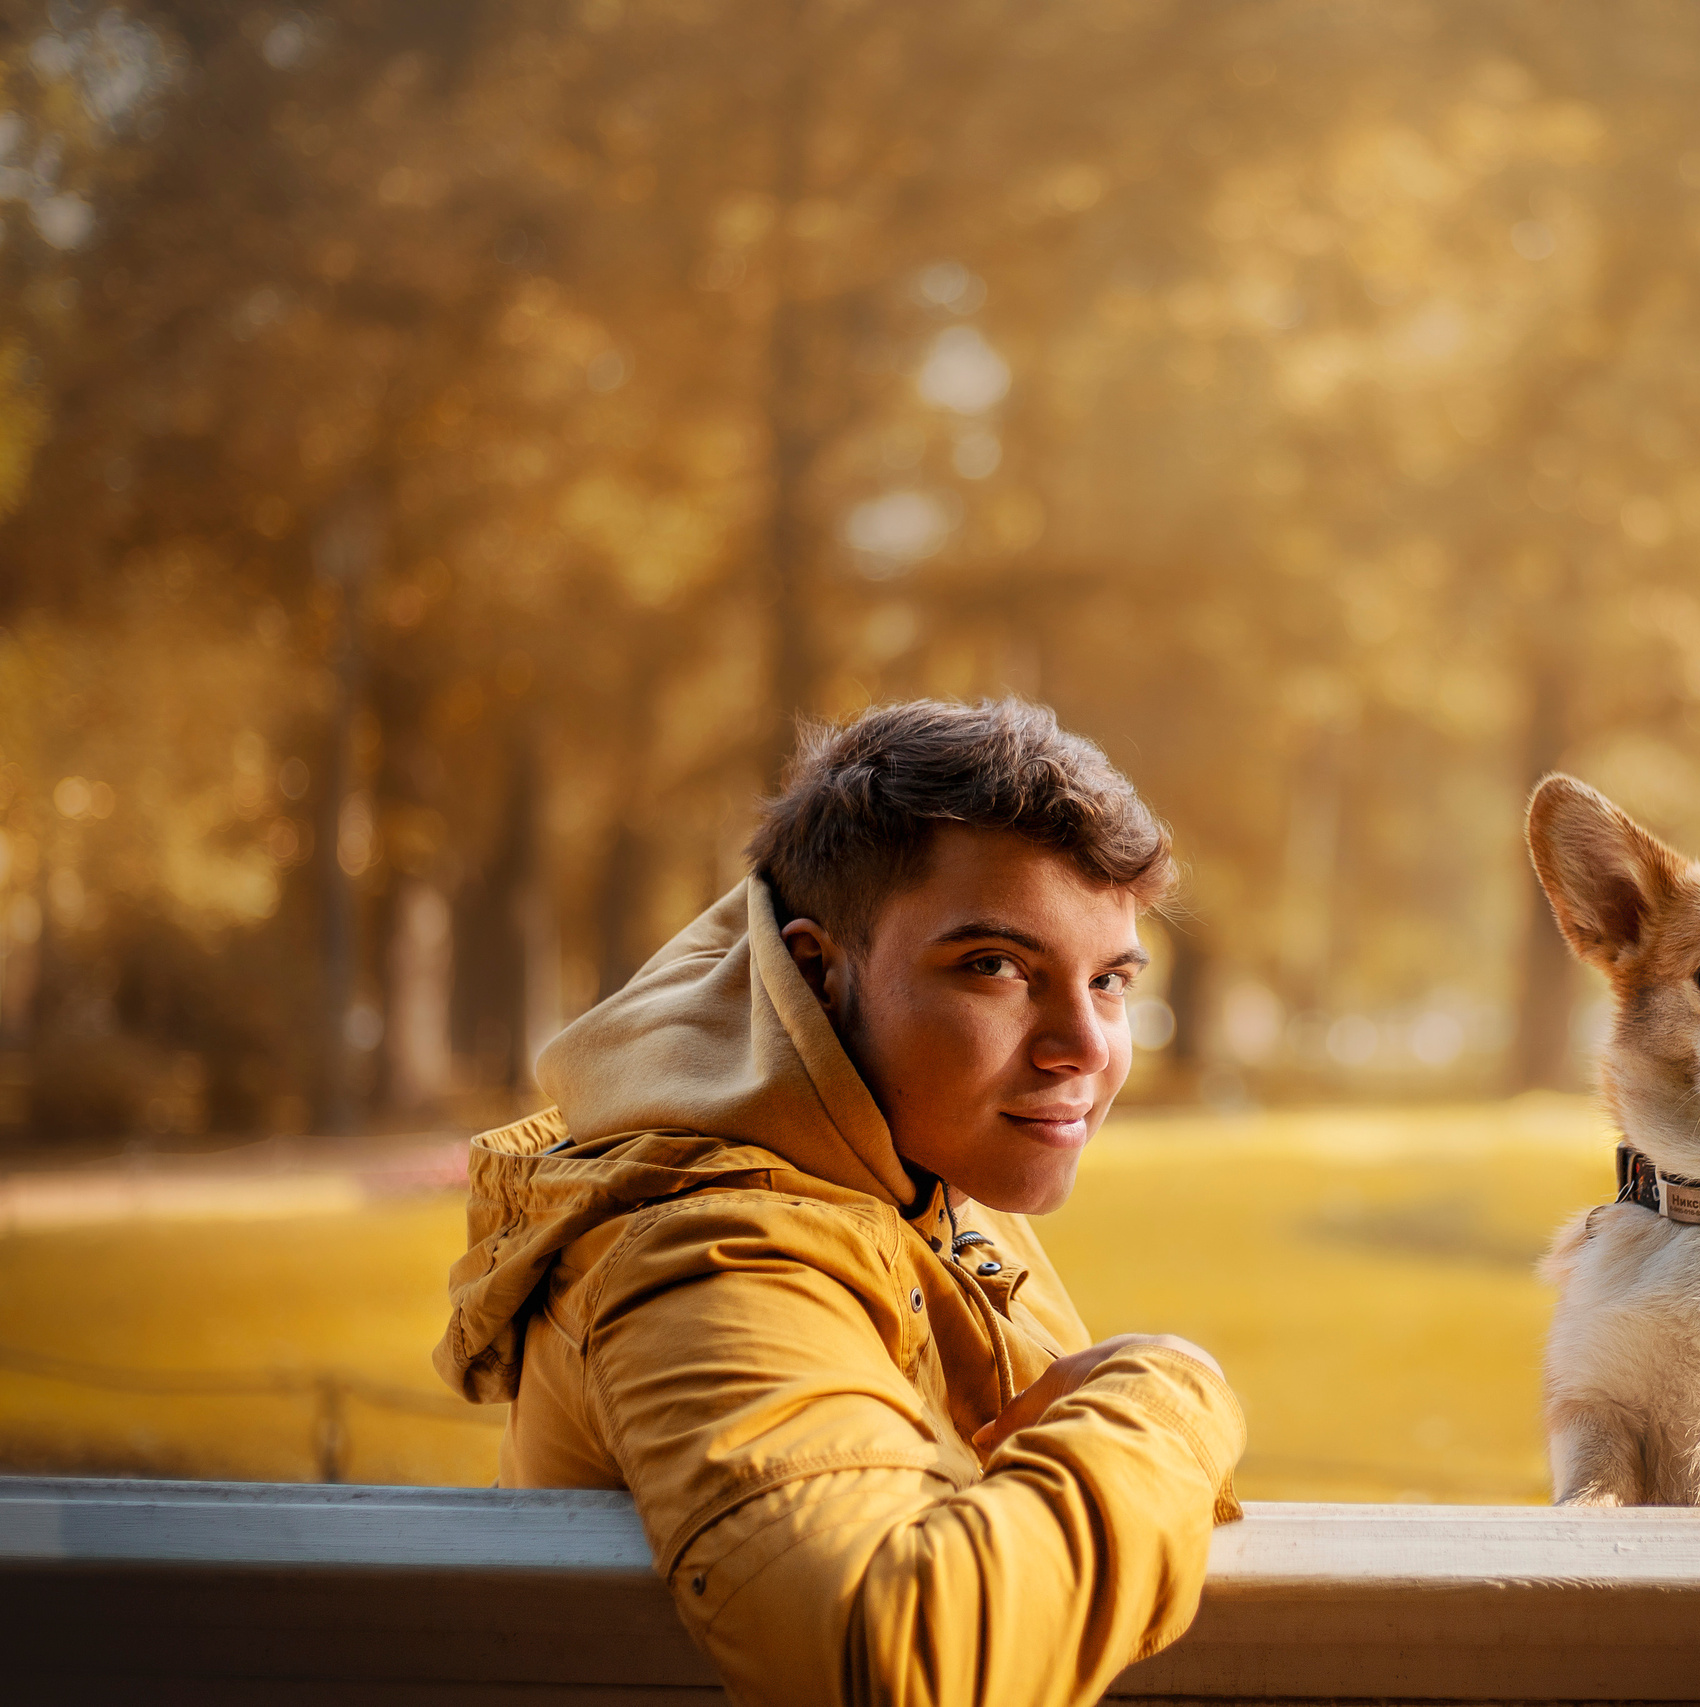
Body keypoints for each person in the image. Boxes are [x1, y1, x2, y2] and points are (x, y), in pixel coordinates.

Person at [433, 698, 1243, 1707]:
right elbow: (900, 1657)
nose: (1081, 1044)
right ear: (815, 971)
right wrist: (1169, 1394)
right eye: (995, 967)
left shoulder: (921, 1175)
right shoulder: (709, 1253)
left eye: (1111, 981)